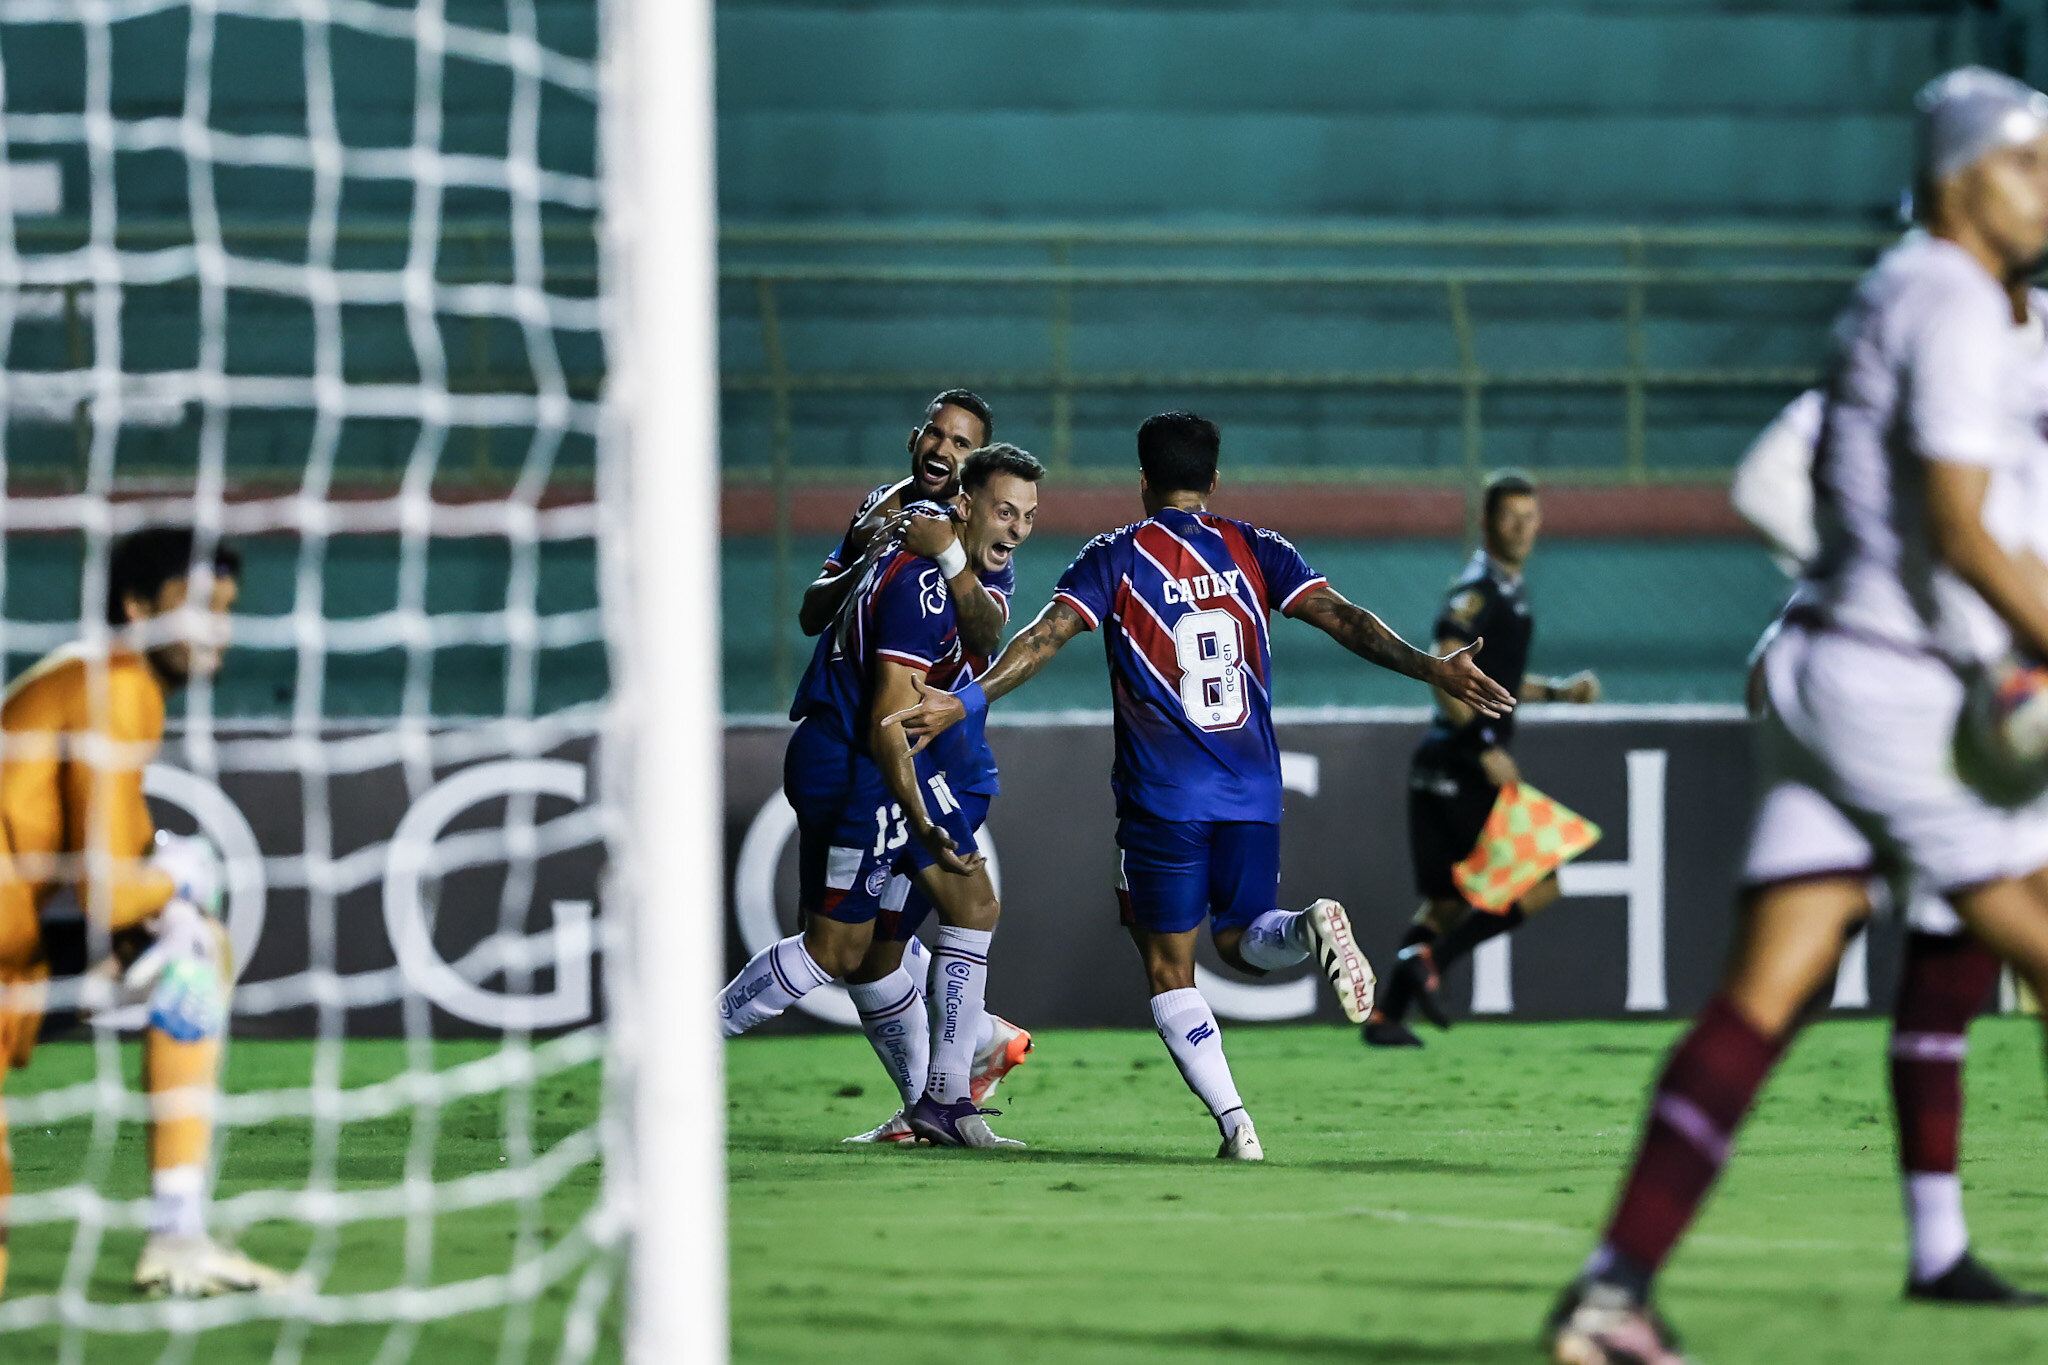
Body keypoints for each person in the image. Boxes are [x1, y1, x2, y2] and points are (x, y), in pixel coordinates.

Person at [1548, 68, 2048, 1362]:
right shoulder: (1951, 299)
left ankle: (1612, 1293)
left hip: (1838, 672)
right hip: (1899, 691)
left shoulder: (1924, 292)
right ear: (1960, 178)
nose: (2044, 188)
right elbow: (1961, 531)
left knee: (1765, 994)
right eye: (2025, 163)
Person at [894, 412, 1513, 1158]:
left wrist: (965, 698)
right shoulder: (1256, 548)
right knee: (1245, 936)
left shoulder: (1116, 557)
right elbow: (1345, 618)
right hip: (1252, 787)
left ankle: (1236, 1124)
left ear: (1144, 482)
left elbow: (1043, 639)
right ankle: (1305, 923)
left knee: (1169, 965)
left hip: (1165, 797)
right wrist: (1432, 666)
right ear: (1214, 481)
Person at [1732, 367, 2045, 1299]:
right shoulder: (1963, 328)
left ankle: (1938, 1247)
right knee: (1823, 971)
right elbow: (1771, 487)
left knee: (1825, 977)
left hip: (1955, 690)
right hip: (1941, 699)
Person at [719, 445, 1042, 1148]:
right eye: (1004, 511)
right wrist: (923, 818)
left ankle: (944, 1100)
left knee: (958, 909)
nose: (1016, 529)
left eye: (1027, 516)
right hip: (871, 765)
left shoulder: (958, 561)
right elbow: (888, 718)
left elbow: (984, 637)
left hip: (884, 760)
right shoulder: (919, 577)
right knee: (837, 949)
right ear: (966, 499)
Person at [0, 527, 292, 1297]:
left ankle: (180, 1234)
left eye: (226, 609)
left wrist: (165, 888)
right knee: (195, 941)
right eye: (197, 605)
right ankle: (176, 1236)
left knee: (192, 945)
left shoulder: (89, 683)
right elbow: (110, 889)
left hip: (13, 960)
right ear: (136, 608)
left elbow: (119, 865)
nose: (217, 626)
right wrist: (179, 882)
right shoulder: (118, 687)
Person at [1363, 471, 1602, 1048]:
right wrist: (1484, 746)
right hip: (1461, 763)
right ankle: (1433, 964)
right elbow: (1446, 662)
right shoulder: (1480, 590)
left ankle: (1386, 1016)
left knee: (1446, 901)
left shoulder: (1505, 592)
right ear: (1487, 522)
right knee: (1541, 887)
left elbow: (1494, 679)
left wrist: (1556, 692)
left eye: (1530, 516)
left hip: (1439, 763)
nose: (1523, 527)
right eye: (1510, 517)